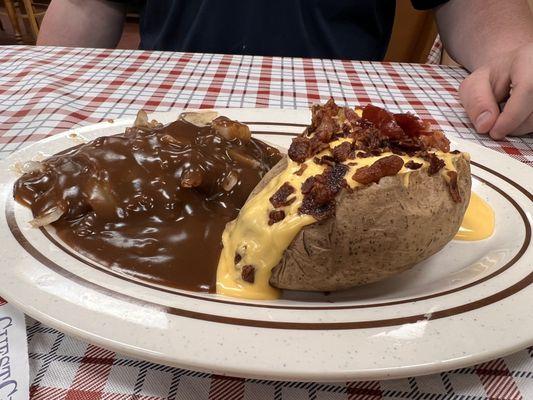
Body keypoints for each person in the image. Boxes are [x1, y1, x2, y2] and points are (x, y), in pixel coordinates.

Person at [37, 0, 533, 140]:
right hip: (163, 116)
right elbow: (86, 3)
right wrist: (42, 84)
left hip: (340, 121)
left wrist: (513, 49)